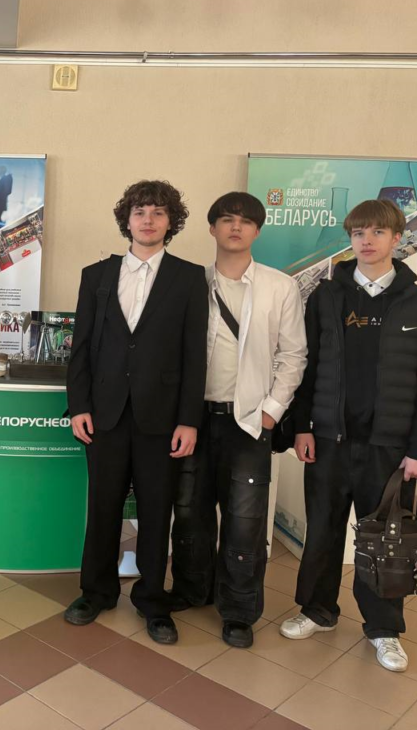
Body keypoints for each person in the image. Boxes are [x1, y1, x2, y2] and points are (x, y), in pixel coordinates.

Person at [281, 199, 417, 673]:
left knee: (384, 538)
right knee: (322, 529)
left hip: (389, 447)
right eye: (358, 233)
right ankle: (317, 610)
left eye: (377, 232)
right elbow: (306, 367)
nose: (367, 241)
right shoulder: (326, 296)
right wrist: (302, 427)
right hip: (329, 440)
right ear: (350, 239)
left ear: (397, 238)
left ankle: (383, 628)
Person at [65, 180, 208, 644]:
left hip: (162, 418)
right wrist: (78, 406)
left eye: (158, 212)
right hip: (104, 414)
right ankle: (96, 591)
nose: (148, 219)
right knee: (102, 506)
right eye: (140, 211)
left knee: (156, 510)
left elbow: (195, 355)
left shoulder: (189, 278)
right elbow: (81, 347)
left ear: (172, 222)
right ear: (126, 220)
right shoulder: (97, 275)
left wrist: (188, 419)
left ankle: (151, 599)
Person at [169, 192, 307, 648]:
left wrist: (270, 412)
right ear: (211, 228)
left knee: (245, 521)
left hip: (248, 421)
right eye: (226, 219)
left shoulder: (279, 286)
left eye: (245, 221)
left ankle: (239, 611)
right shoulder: (190, 282)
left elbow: (294, 356)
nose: (235, 227)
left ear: (257, 231)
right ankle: (192, 590)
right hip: (193, 418)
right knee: (189, 512)